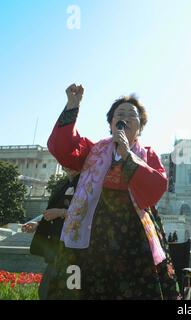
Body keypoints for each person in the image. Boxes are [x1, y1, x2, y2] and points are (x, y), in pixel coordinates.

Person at [46, 83, 179, 300]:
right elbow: (62, 148)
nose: (125, 117)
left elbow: (156, 188)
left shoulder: (147, 154)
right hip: (92, 227)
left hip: (134, 233)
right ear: (111, 123)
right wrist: (72, 105)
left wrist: (127, 155)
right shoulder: (93, 150)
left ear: (141, 127)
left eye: (131, 115)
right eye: (119, 114)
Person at [22, 167, 80, 299]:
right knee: (46, 291)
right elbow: (53, 213)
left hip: (73, 251)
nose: (66, 166)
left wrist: (61, 213)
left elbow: (85, 213)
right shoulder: (64, 184)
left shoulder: (85, 182)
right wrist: (38, 225)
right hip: (56, 249)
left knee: (68, 292)